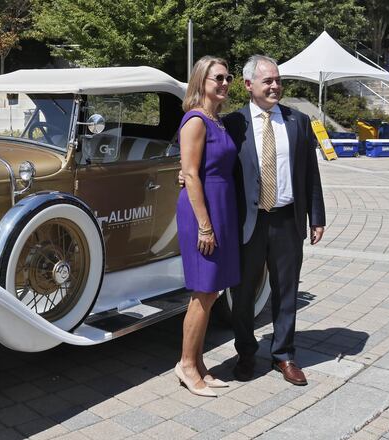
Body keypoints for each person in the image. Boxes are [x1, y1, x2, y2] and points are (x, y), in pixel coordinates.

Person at [225, 55, 325, 386]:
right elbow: (218, 170)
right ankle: (245, 352)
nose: (275, 86)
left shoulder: (299, 121)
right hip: (248, 223)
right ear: (248, 84)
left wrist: (316, 216)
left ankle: (284, 354)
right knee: (242, 293)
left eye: (278, 80)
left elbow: (310, 173)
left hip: (287, 220)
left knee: (287, 290)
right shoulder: (233, 124)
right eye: (267, 80)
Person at [174, 56, 240, 397]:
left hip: (220, 207)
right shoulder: (196, 120)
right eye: (218, 78)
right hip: (203, 212)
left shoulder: (218, 121)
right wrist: (204, 226)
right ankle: (186, 365)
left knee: (211, 291)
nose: (225, 83)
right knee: (203, 291)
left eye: (228, 77)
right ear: (201, 81)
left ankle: (198, 363)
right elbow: (189, 174)